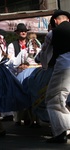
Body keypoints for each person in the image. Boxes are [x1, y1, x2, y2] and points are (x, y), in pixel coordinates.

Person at [44, 10, 70, 143]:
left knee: (54, 99)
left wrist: (43, 65)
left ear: (55, 21)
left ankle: (61, 132)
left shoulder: (53, 33)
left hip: (65, 66)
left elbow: (44, 53)